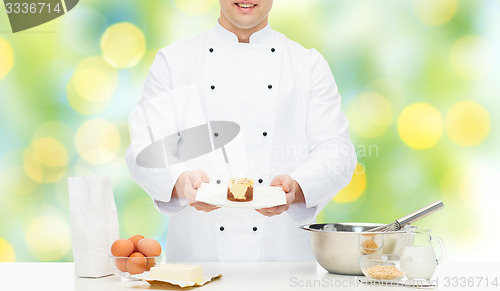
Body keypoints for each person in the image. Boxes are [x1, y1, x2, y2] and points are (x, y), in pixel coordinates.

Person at [126, 0, 357, 261]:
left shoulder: (308, 65)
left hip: (281, 266)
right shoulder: (174, 61)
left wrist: (298, 187)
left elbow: (338, 152)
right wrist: (181, 183)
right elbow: (143, 150)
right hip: (197, 266)